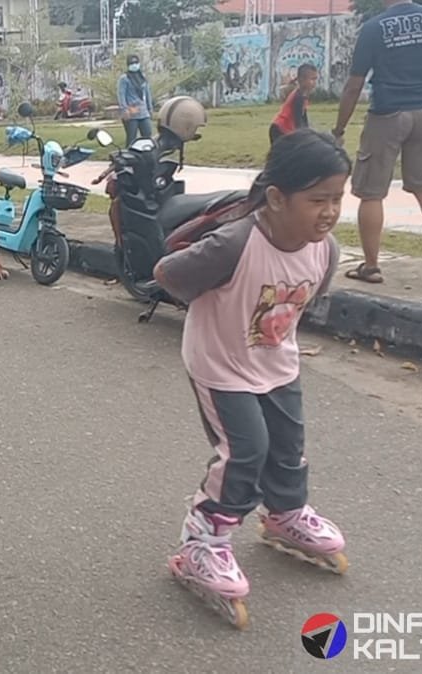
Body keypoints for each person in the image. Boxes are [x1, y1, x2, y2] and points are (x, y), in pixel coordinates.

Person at [152, 129, 350, 629]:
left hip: (277, 364)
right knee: (245, 451)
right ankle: (203, 541)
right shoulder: (235, 242)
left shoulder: (325, 250)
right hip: (220, 366)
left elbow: (305, 299)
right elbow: (168, 274)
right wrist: (211, 306)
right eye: (317, 200)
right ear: (278, 198)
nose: (328, 212)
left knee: (288, 445)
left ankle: (285, 512)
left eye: (337, 199)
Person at [333, 0, 422, 285]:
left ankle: (370, 267)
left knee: (371, 193)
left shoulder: (373, 28)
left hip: (389, 113)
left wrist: (339, 128)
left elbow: (354, 85)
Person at [269, 63, 318, 145]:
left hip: (284, 130)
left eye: (315, 79)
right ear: (301, 79)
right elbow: (297, 120)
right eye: (312, 79)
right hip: (280, 130)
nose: (314, 83)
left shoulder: (303, 95)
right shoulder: (298, 97)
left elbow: (303, 117)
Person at [117, 54, 153, 147]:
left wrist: (150, 108)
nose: (134, 65)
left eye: (136, 62)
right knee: (131, 138)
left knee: (147, 135)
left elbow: (147, 93)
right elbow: (121, 95)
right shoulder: (124, 78)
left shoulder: (142, 77)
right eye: (132, 63)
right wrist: (124, 109)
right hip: (131, 112)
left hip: (143, 112)